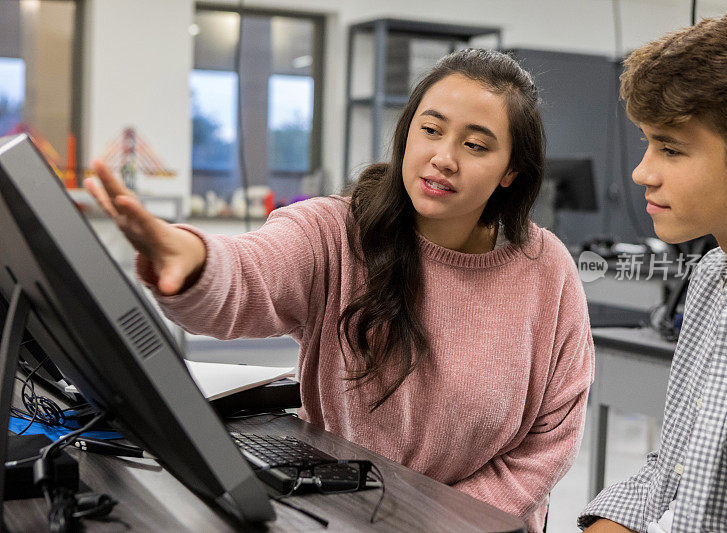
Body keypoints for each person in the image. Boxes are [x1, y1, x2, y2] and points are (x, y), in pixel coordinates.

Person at [86, 49, 594, 532]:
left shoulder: (544, 267)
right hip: (346, 516)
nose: (443, 158)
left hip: (480, 527)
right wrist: (194, 260)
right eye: (431, 130)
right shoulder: (336, 232)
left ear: (511, 172)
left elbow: (550, 442)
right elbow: (250, 273)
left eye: (475, 145)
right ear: (406, 134)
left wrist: (440, 519)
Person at [579, 5, 727, 532]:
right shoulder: (711, 277)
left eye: (671, 149)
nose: (641, 172)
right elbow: (674, 474)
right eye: (646, 143)